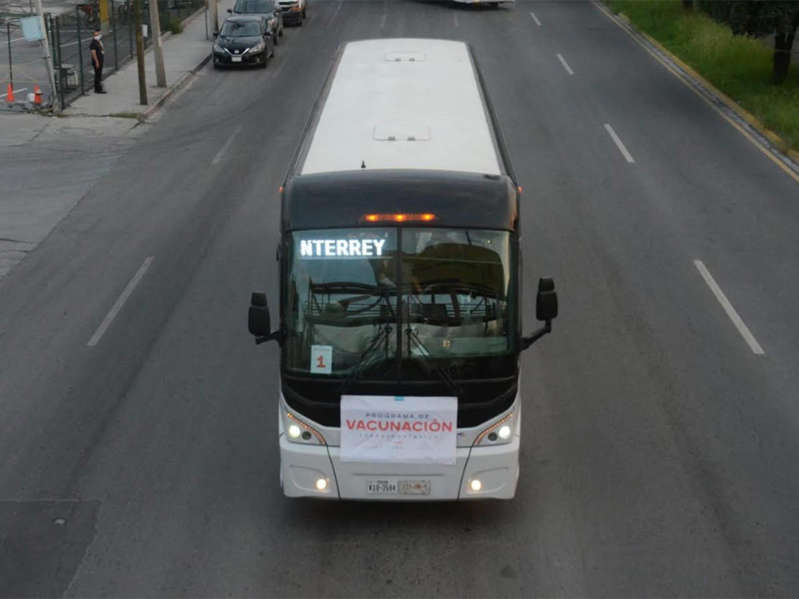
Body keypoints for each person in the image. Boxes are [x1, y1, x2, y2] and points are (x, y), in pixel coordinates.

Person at [89, 29, 106, 93]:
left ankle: (99, 87)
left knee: (99, 74)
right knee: (97, 74)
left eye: (99, 32)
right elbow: (93, 53)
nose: (99, 33)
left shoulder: (98, 41)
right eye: (98, 32)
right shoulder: (93, 43)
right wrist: (97, 62)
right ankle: (98, 89)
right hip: (97, 61)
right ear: (94, 33)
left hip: (100, 60)